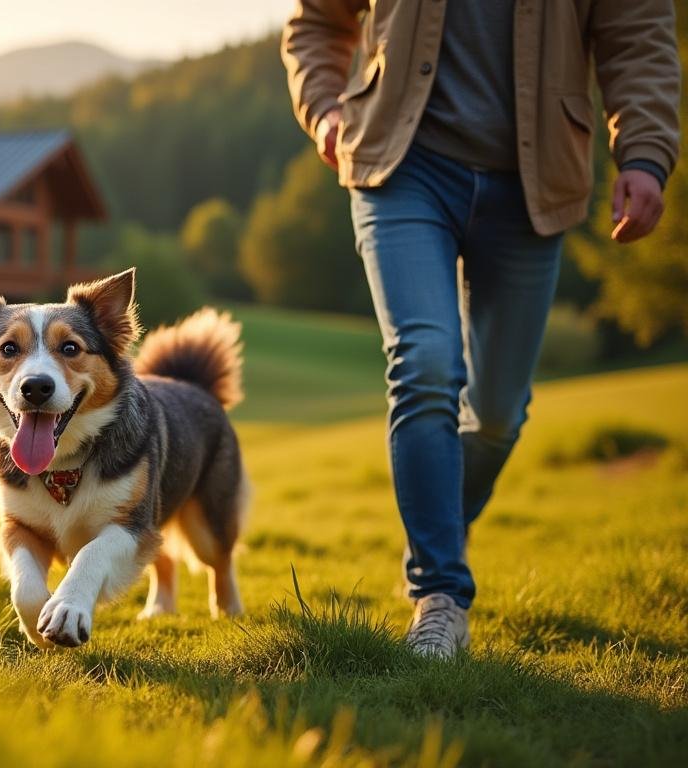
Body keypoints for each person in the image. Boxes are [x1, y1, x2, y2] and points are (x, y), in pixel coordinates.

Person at [281, 0, 680, 657]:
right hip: (400, 164)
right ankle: (438, 595)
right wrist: (324, 106)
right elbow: (318, 21)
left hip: (534, 180)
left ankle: (436, 527)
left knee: (497, 413)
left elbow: (638, 39)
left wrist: (645, 151)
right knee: (426, 361)